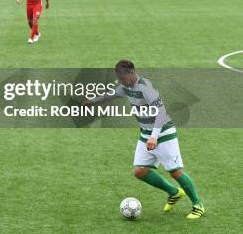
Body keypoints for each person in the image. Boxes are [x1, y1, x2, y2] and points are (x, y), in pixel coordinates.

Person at [84, 60, 205, 220]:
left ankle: (198, 205)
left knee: (175, 171)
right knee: (140, 171)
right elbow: (111, 94)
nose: (121, 82)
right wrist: (92, 102)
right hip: (146, 134)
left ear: (132, 73)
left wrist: (154, 136)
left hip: (163, 133)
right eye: (119, 79)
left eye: (122, 78)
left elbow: (161, 113)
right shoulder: (126, 87)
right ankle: (174, 192)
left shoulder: (146, 88)